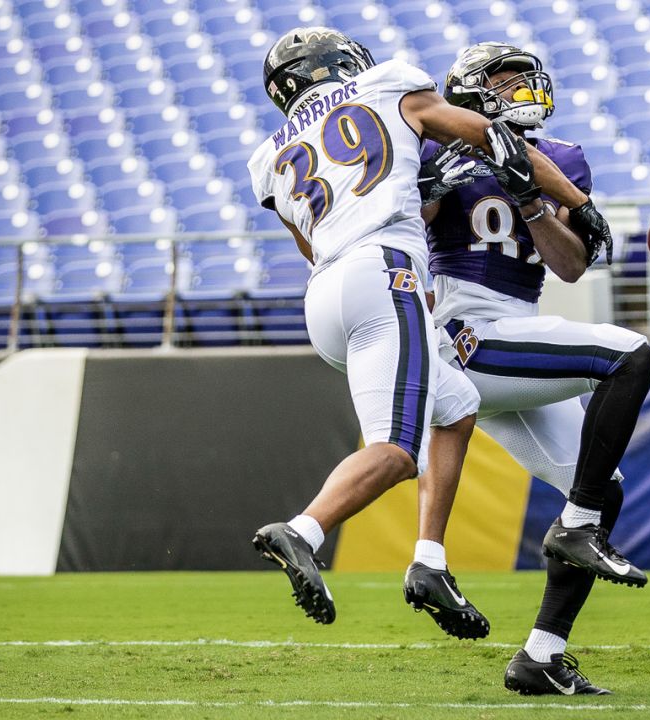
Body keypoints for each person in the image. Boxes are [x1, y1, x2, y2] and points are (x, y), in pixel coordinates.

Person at [246, 28, 618, 637]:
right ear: (343, 62)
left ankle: (429, 562)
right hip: (381, 272)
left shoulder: (268, 155)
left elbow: (308, 243)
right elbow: (497, 139)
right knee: (395, 451)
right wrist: (575, 202)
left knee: (458, 406)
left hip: (324, 299)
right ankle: (302, 530)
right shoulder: (385, 81)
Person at [416, 42, 650, 695]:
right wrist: (430, 182)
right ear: (473, 93)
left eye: (526, 80)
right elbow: (417, 231)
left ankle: (540, 658)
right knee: (631, 357)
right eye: (506, 81)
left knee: (600, 490)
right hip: (465, 330)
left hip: (516, 324)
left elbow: (571, 265)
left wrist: (530, 201)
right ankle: (568, 535)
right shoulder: (435, 149)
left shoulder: (563, 158)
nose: (522, 89)